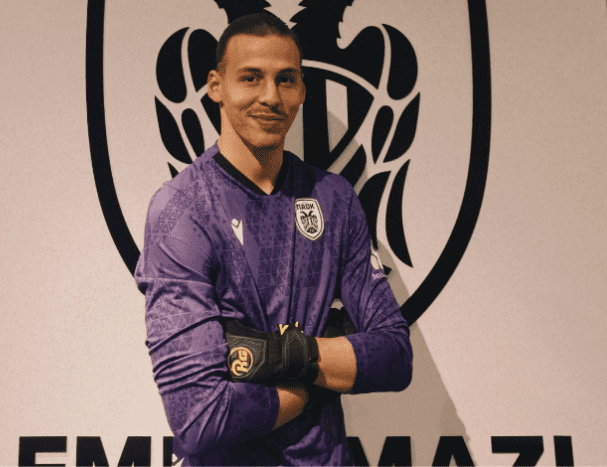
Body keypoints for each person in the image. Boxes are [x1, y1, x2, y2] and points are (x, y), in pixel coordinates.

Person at [135, 12, 413, 465]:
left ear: (302, 90)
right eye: (251, 78)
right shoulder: (182, 209)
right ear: (216, 86)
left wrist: (269, 355)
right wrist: (319, 374)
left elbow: (394, 356)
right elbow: (199, 419)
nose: (271, 96)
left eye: (286, 79)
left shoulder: (334, 198)